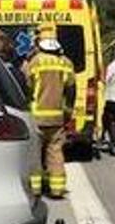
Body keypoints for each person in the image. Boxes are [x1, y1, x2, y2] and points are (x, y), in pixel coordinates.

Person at [22, 23, 76, 199]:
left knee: (35, 153)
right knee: (55, 153)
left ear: (39, 41)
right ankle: (57, 189)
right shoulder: (66, 63)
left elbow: (26, 88)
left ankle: (35, 190)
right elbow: (71, 89)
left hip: (37, 117)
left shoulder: (34, 62)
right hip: (57, 118)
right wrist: (68, 109)